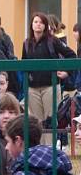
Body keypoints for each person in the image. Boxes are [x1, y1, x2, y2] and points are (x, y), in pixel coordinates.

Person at [21, 11, 77, 143]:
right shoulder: (27, 43)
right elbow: (24, 64)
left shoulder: (53, 41)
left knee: (50, 121)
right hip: (32, 88)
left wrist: (67, 72)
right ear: (31, 25)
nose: (38, 25)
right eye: (35, 22)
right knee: (36, 122)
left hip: (50, 87)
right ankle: (39, 150)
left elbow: (71, 55)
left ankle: (50, 151)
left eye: (41, 22)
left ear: (46, 26)